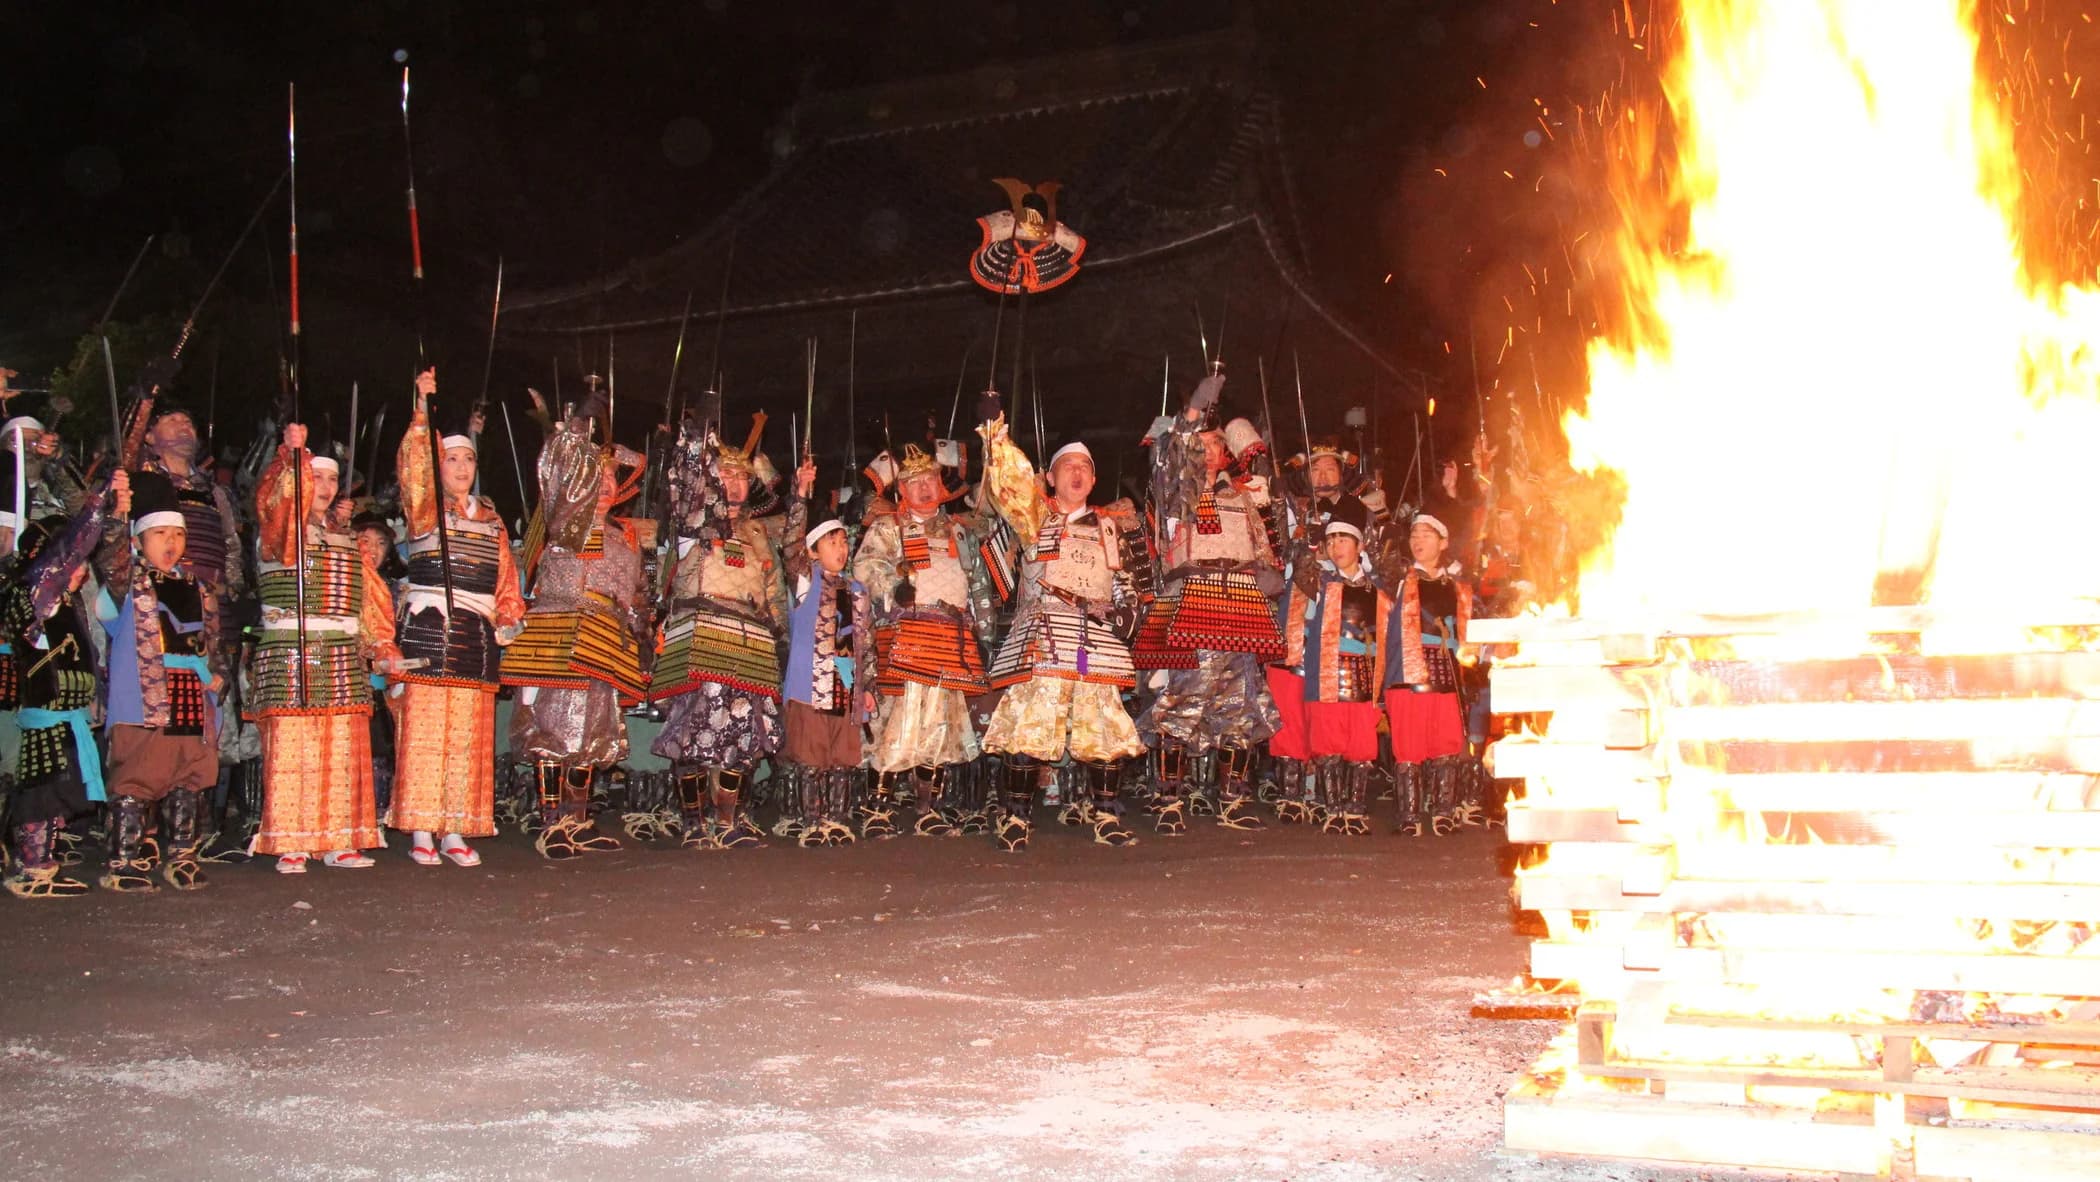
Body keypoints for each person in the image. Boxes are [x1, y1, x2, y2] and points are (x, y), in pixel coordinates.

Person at [975, 410, 1145, 851]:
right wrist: (997, 435)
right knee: (1029, 727)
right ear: (1049, 478)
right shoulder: (1034, 517)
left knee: (1104, 727)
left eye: (1085, 467)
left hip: (1097, 640)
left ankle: (1106, 814)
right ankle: (1016, 817)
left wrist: (1126, 616)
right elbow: (1006, 484)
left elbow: (1126, 584)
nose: (1077, 472)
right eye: (1068, 466)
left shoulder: (1111, 528)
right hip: (1045, 636)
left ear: (1094, 479)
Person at [387, 370, 527, 867]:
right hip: (428, 631)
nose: (461, 466)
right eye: (451, 459)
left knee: (467, 740)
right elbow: (413, 472)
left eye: (468, 458)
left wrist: (509, 618)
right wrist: (422, 407)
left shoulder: (490, 520)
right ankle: (423, 829)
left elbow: (507, 583)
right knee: (425, 735)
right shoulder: (426, 511)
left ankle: (455, 829)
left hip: (476, 638)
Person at [250, 424, 400, 874]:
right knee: (294, 749)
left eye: (333, 479)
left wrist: (381, 644)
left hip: (339, 652)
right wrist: (289, 458)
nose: (326, 486)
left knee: (341, 749)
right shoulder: (279, 531)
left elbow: (368, 597)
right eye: (316, 476)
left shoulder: (346, 540)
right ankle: (292, 840)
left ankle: (338, 838)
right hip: (291, 650)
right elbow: (274, 503)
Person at [502, 401, 648, 859]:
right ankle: (551, 824)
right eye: (594, 475)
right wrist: (577, 434)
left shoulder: (625, 539)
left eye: (608, 477)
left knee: (595, 732)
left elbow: (637, 596)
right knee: (554, 728)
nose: (603, 483)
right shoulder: (565, 521)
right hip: (563, 632)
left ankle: (577, 820)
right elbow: (554, 470)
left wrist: (641, 632)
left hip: (607, 637)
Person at [1138, 380, 1285, 835]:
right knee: (1180, 703)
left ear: (1226, 455)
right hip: (1192, 603)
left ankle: (1233, 799)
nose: (1205, 455)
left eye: (1213, 447)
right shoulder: (1172, 497)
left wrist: (1266, 579)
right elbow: (1168, 461)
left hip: (1239, 605)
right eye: (1196, 447)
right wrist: (1194, 413)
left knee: (1243, 708)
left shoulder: (1242, 499)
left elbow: (1268, 560)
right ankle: (1167, 800)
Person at [648, 415, 789, 851]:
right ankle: (694, 822)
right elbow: (687, 484)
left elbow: (774, 587)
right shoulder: (694, 522)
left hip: (750, 638)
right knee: (693, 730)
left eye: (740, 478)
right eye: (724, 476)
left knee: (744, 733)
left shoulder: (758, 532)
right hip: (700, 631)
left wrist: (779, 635)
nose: (733, 485)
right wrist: (698, 439)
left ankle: (727, 820)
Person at [851, 443, 996, 838]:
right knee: (896, 720)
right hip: (906, 635)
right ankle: (877, 807)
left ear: (941, 485)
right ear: (901, 490)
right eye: (913, 482)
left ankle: (926, 808)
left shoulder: (960, 531)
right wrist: (893, 587)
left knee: (940, 722)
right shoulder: (888, 527)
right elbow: (864, 566)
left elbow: (979, 583)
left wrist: (984, 633)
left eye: (930, 479)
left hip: (952, 638)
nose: (924, 488)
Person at [96, 469, 222, 891]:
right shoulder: (128, 583)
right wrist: (119, 515)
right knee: (137, 775)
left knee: (190, 776)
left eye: (178, 534)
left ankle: (182, 856)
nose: (172, 543)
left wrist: (215, 675)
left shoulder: (198, 586)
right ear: (139, 539)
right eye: (160, 533)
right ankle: (125, 861)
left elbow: (209, 639)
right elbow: (110, 557)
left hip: (190, 694)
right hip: (147, 697)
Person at [1, 515, 102, 898]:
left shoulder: (66, 604)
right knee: (40, 792)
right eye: (72, 562)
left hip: (67, 718)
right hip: (45, 718)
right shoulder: (34, 598)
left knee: (58, 792)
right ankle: (33, 869)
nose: (81, 569)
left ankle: (45, 862)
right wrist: (99, 504)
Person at [780, 457, 874, 847]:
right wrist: (800, 495)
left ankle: (837, 820)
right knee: (811, 757)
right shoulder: (806, 580)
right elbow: (789, 546)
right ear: (814, 552)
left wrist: (867, 687)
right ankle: (812, 821)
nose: (840, 546)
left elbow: (866, 645)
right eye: (830, 541)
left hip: (845, 683)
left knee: (842, 757)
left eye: (843, 539)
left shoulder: (857, 591)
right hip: (809, 687)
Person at [1285, 517, 1392, 835]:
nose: (1336, 547)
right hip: (1328, 675)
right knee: (1328, 745)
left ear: (1360, 547)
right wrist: (1309, 541)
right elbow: (1301, 566)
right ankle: (1333, 809)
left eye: (1343, 540)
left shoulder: (1379, 587)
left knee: (1361, 746)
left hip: (1364, 675)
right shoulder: (1321, 582)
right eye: (1331, 542)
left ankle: (1355, 810)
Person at [1384, 512, 1475, 836]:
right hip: (1408, 674)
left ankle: (1443, 811)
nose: (1418, 540)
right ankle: (1408, 814)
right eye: (1414, 535)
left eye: (1426, 535)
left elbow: (1470, 634)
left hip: (1447, 674)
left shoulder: (1458, 587)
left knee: (1446, 744)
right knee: (1408, 745)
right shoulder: (1397, 580)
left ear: (1443, 542)